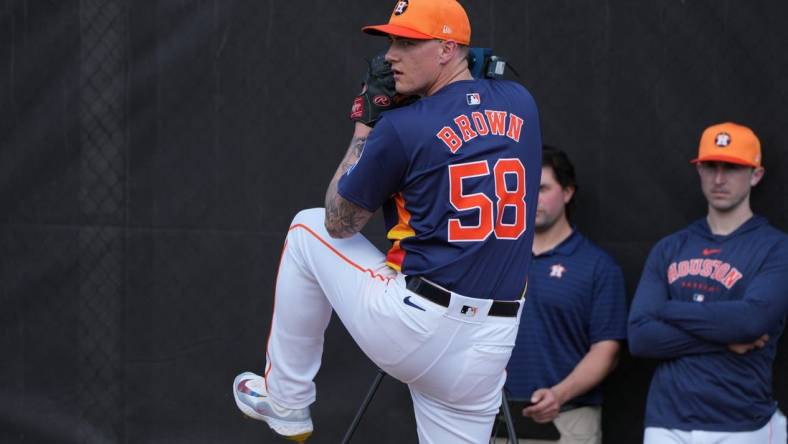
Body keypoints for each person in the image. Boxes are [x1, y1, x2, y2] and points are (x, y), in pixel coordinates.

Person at [232, 1, 543, 442]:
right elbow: (479, 77)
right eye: (392, 40)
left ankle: (287, 399)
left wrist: (366, 126)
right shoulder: (522, 104)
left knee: (309, 227)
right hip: (491, 346)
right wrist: (466, 58)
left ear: (446, 48)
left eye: (408, 41)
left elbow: (340, 222)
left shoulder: (401, 127)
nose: (390, 55)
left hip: (416, 328)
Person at [628, 122, 788, 443]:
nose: (719, 178)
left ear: (755, 175)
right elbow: (641, 338)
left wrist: (668, 309)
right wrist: (723, 337)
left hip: (742, 422)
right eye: (710, 167)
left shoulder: (776, 248)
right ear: (699, 171)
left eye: (731, 168)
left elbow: (751, 322)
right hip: (667, 420)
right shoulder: (670, 248)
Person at [498, 146, 628, 444]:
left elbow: (607, 351)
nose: (532, 198)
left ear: (567, 192)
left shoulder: (597, 266)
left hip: (568, 419)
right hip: (495, 419)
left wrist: (559, 394)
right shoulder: (495, 260)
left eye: (542, 188)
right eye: (525, 188)